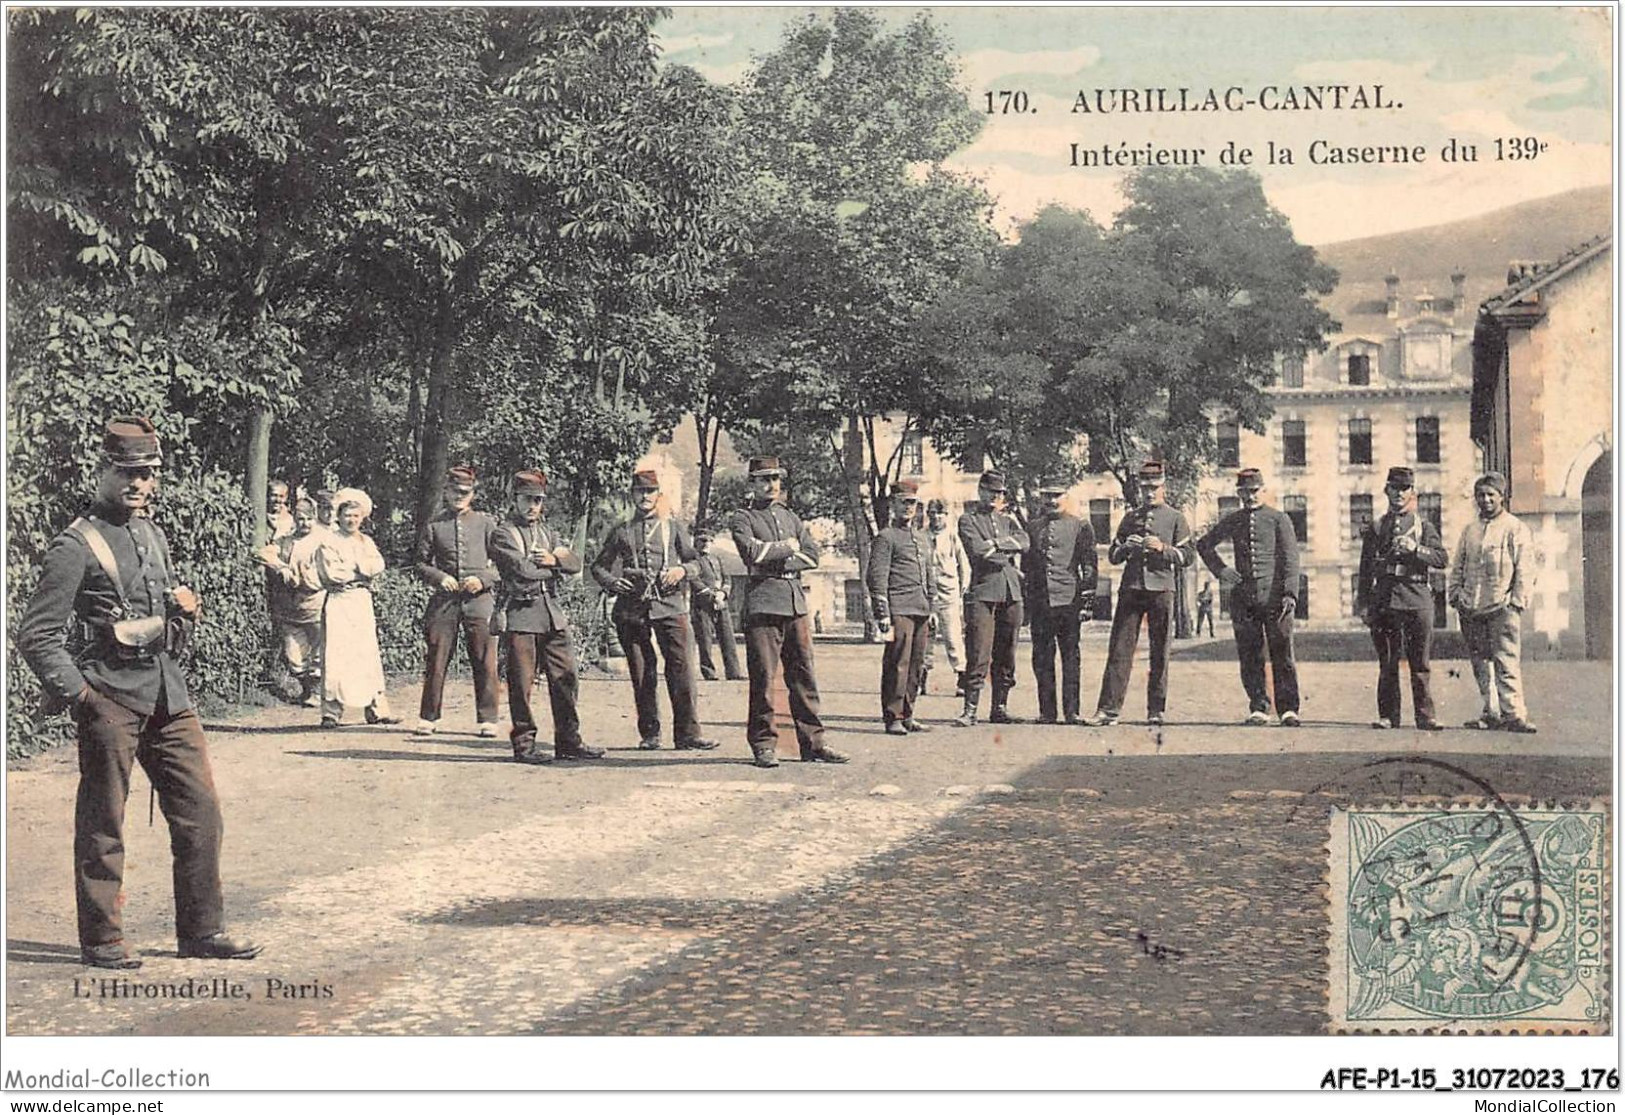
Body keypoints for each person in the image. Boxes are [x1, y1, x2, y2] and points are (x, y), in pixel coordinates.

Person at [18, 416, 261, 969]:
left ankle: (201, 930)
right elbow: (37, 634)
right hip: (109, 696)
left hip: (166, 694)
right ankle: (102, 938)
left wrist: (181, 614)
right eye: (127, 472)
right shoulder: (75, 545)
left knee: (201, 813)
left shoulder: (152, 533)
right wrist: (82, 696)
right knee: (105, 821)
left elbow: (159, 621)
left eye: (148, 474)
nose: (139, 484)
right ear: (102, 471)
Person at [731, 455, 847, 767]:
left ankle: (813, 743)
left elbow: (813, 556)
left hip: (794, 601)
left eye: (775, 479)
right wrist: (789, 548)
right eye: (763, 479)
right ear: (752, 483)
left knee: (804, 676)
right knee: (764, 679)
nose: (771, 485)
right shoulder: (743, 518)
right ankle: (764, 744)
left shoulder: (790, 517)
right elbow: (752, 553)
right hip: (763, 602)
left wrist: (780, 554)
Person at [591, 468, 718, 752]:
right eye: (640, 492)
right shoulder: (621, 530)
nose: (645, 497)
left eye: (650, 492)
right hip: (632, 609)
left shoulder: (673, 528)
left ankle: (688, 734)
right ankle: (650, 734)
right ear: (632, 495)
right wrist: (613, 582)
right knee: (642, 672)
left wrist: (681, 570)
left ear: (658, 494)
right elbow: (598, 566)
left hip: (670, 606)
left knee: (682, 668)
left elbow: (698, 563)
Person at [490, 470, 602, 763]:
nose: (533, 506)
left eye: (538, 500)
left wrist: (554, 560)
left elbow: (576, 563)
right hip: (521, 614)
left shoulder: (548, 533)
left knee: (566, 679)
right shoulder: (503, 533)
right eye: (527, 499)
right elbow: (522, 571)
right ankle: (524, 746)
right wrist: (556, 566)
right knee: (522, 684)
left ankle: (568, 740)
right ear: (514, 499)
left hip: (552, 614)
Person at [1089, 461, 1195, 727]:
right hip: (1132, 588)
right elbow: (1113, 556)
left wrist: (1163, 548)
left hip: (1162, 588)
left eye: (1154, 487)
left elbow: (1188, 556)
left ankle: (1156, 710)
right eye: (1145, 487)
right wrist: (1125, 547)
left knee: (1160, 651)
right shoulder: (1130, 518)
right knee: (1120, 650)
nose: (1150, 493)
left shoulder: (1176, 518)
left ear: (1163, 487)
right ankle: (1108, 710)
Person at [1196, 468, 1302, 727]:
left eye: (1254, 491)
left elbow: (1290, 559)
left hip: (1276, 599)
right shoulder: (1234, 520)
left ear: (1263, 490)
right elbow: (1204, 544)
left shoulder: (1279, 519)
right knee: (1250, 654)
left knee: (1282, 653)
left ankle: (1288, 709)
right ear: (1239, 493)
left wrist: (1289, 593)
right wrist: (1221, 571)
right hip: (1245, 599)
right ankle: (1259, 707)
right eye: (1244, 492)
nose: (1250, 496)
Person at [1355, 465, 1449, 731]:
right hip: (1385, 603)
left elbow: (1442, 559)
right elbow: (1365, 570)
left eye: (1404, 489)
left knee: (1420, 664)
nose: (1399, 493)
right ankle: (1388, 716)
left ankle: (1425, 716)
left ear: (1412, 493)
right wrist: (1363, 604)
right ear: (1386, 491)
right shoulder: (1377, 527)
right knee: (1388, 663)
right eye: (1394, 488)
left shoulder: (1423, 526)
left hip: (1417, 600)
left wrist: (1416, 549)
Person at [414, 465, 502, 738]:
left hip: (479, 600)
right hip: (446, 601)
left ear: (473, 494)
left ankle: (488, 719)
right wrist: (439, 577)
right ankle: (429, 717)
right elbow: (419, 563)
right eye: (454, 491)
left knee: (485, 659)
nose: (459, 496)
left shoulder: (486, 523)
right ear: (446, 491)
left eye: (465, 492)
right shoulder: (434, 525)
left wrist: (484, 579)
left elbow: (504, 563)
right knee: (437, 658)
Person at [1449, 471, 1538, 733]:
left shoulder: (1515, 528)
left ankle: (1514, 715)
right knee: (1480, 663)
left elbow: (1525, 569)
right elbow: (1458, 566)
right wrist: (1455, 595)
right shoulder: (1470, 530)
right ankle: (1491, 712)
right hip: (1471, 607)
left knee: (1506, 660)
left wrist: (1515, 603)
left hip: (1502, 607)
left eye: (1491, 495)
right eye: (1481, 495)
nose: (1485, 500)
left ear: (1502, 497)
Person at [315, 488, 397, 728]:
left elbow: (377, 564)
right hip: (339, 601)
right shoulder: (329, 541)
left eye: (356, 516)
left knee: (366, 653)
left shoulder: (366, 541)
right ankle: (331, 712)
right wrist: (360, 570)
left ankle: (376, 708)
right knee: (336, 655)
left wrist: (359, 568)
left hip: (361, 601)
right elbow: (333, 574)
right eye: (347, 515)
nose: (351, 520)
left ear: (362, 518)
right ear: (338, 516)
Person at [955, 470, 1030, 727]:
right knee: (979, 652)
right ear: (980, 491)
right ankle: (970, 709)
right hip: (983, 592)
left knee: (1007, 652)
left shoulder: (1008, 520)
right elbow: (977, 551)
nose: (995, 497)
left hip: (1011, 591)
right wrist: (1007, 548)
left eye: (999, 493)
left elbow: (1025, 541)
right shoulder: (968, 520)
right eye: (990, 492)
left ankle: (1000, 707)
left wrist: (995, 544)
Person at [866, 478, 937, 735]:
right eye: (903, 503)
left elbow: (929, 575)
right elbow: (877, 576)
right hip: (899, 609)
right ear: (893, 505)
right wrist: (882, 613)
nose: (908, 508)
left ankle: (908, 713)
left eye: (912, 503)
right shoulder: (886, 537)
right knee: (898, 662)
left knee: (917, 664)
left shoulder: (922, 538)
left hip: (921, 608)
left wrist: (932, 608)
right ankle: (893, 716)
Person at [1024, 479, 1098, 725]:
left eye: (1056, 495)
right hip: (1041, 603)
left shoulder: (1080, 526)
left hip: (1069, 601)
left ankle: (1072, 711)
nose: (1052, 500)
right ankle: (1047, 712)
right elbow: (1028, 568)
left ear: (1066, 496)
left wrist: (1087, 602)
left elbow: (1089, 565)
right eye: (1047, 495)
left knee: (1070, 657)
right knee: (1042, 658)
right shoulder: (1033, 528)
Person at [257, 496, 327, 706]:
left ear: (314, 519)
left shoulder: (323, 539)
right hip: (290, 605)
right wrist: (282, 567)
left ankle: (314, 691)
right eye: (300, 519)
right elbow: (265, 553)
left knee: (318, 651)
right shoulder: (286, 540)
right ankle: (305, 686)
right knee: (293, 655)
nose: (304, 523)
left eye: (308, 519)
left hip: (316, 602)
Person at [924, 497, 971, 698]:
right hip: (926, 595)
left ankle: (961, 677)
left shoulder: (952, 537)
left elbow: (964, 566)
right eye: (932, 513)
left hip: (948, 593)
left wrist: (961, 590)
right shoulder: (920, 536)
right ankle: (921, 677)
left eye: (940, 513)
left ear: (946, 515)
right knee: (926, 638)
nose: (936, 517)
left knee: (952, 637)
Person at [691, 528, 745, 682]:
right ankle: (709, 672)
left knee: (728, 637)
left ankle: (733, 672)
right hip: (703, 604)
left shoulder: (717, 559)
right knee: (705, 639)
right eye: (703, 540)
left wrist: (722, 594)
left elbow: (727, 579)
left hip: (721, 603)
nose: (706, 544)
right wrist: (712, 595)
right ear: (696, 542)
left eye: (709, 541)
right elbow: (695, 582)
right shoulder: (693, 561)